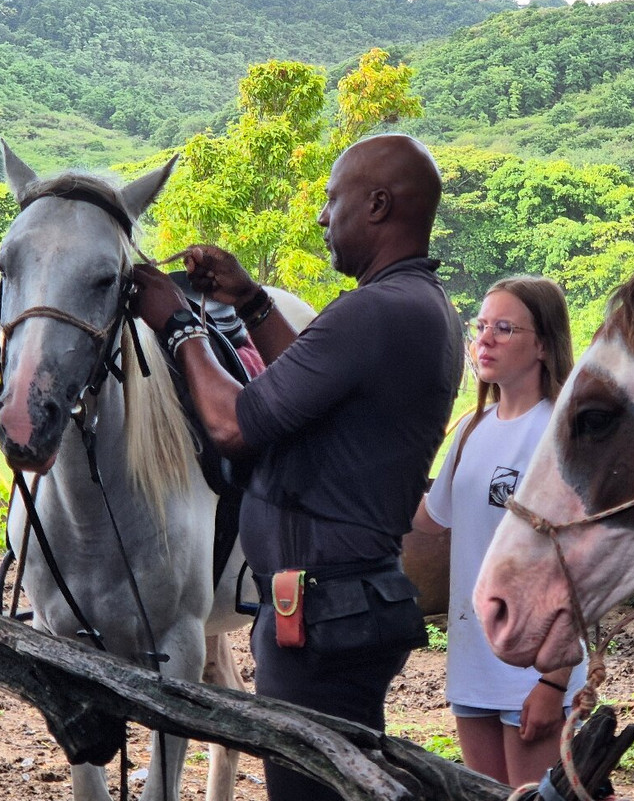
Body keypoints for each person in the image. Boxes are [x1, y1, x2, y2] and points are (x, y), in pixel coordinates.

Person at [131, 134, 465, 801]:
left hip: (323, 618)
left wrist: (180, 326)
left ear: (376, 205)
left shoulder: (372, 312)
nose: (321, 216)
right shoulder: (418, 306)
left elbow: (234, 425)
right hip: (347, 608)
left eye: (332, 199)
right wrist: (252, 301)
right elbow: (308, 385)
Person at [410, 275, 587, 788]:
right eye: (481, 326)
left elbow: (579, 561)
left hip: (534, 670)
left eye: (504, 328)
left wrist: (554, 682)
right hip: (472, 664)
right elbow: (429, 519)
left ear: (544, 344)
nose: (484, 340)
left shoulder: (560, 433)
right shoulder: (472, 428)